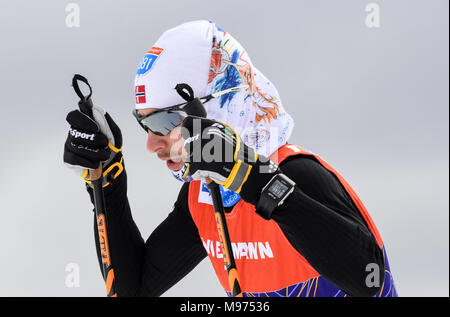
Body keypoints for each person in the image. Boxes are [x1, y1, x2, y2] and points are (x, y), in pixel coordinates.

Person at [63, 20, 397, 297]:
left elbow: (369, 280)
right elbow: (132, 290)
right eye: (144, 124)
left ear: (219, 107)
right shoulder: (204, 200)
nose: (152, 144)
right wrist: (106, 182)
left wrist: (254, 179)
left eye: (163, 122)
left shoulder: (298, 172)